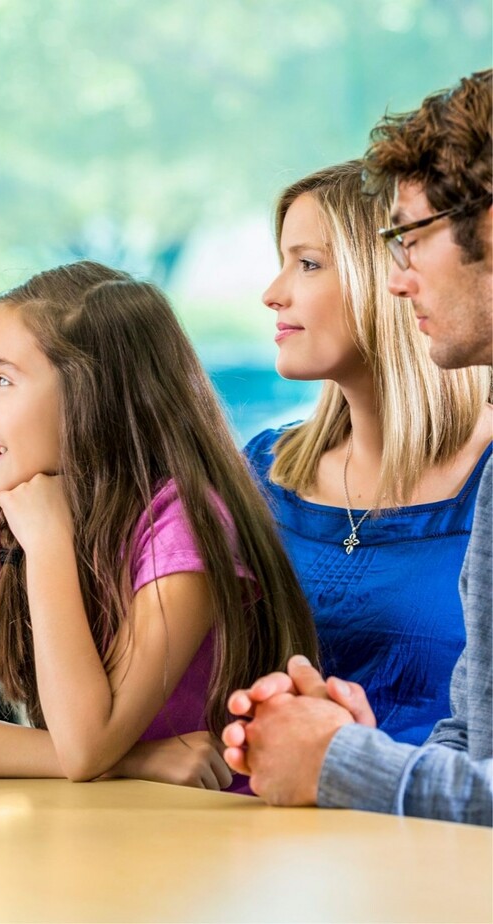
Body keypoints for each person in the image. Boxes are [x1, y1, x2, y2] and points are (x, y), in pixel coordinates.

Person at [0, 260, 318, 790]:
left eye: (3, 380)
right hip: (99, 821)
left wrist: (49, 543)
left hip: (209, 830)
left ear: (90, 393)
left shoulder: (185, 519)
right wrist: (138, 760)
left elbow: (85, 746)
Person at [223, 69, 492, 826]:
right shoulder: (265, 466)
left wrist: (346, 762)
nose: (273, 294)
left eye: (308, 263)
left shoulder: (484, 474)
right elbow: (469, 746)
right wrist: (346, 751)